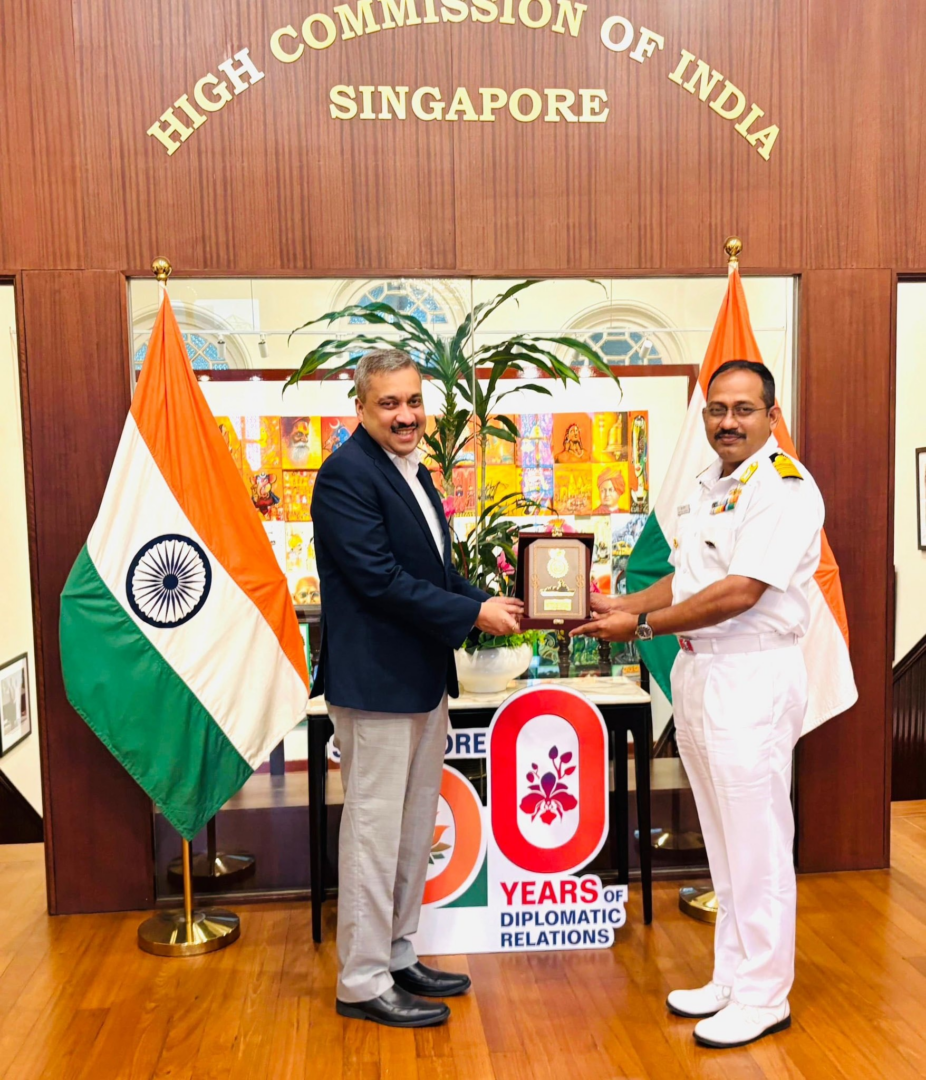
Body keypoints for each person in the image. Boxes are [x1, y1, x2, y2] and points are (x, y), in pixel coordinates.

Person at [574, 360, 824, 1050]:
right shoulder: (710, 482)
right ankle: (732, 977)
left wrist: (641, 628)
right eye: (717, 409)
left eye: (744, 409)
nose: (728, 421)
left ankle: (764, 994)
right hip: (700, 671)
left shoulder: (783, 487)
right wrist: (620, 603)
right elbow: (688, 579)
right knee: (723, 837)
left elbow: (741, 591)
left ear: (772, 417)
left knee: (758, 842)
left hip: (751, 673)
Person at [311, 348, 523, 1029]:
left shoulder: (415, 471)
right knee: (374, 834)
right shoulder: (346, 475)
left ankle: (397, 954)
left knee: (409, 832)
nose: (405, 416)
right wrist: (472, 616)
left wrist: (487, 599)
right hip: (376, 687)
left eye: (413, 401)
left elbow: (432, 572)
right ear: (361, 408)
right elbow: (379, 580)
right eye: (389, 404)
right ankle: (361, 981)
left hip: (422, 681)